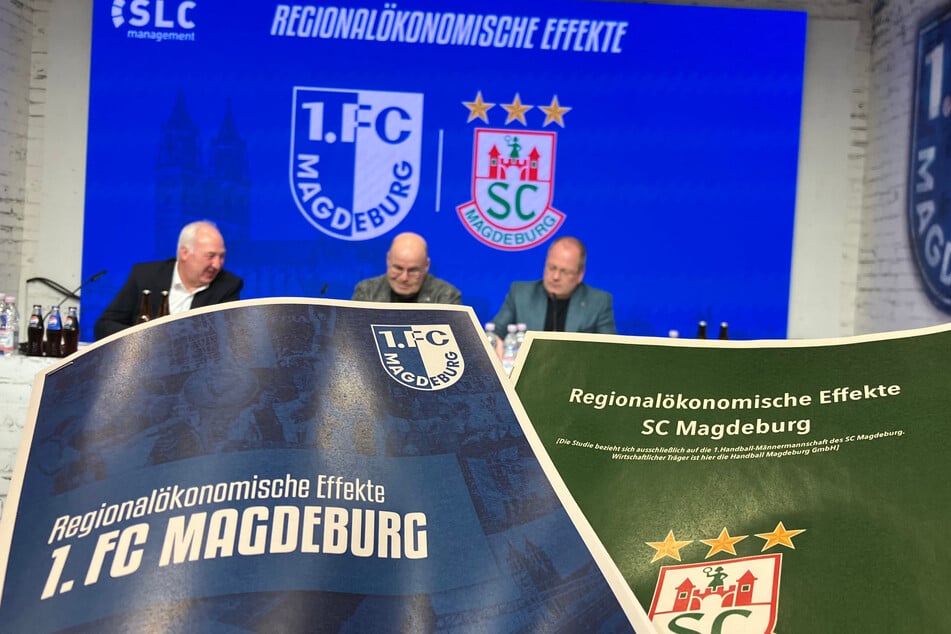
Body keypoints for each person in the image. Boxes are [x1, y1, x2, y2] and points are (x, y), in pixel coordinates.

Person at [94, 220, 243, 339]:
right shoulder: (145, 276)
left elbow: (227, 339)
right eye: (210, 256)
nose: (217, 265)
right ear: (184, 253)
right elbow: (105, 326)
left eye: (221, 256)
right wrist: (141, 340)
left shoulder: (228, 286)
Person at [492, 236, 616, 334]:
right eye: (552, 268)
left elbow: (610, 350)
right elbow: (494, 332)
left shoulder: (599, 302)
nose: (555, 277)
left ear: (580, 275)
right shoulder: (520, 294)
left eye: (565, 271)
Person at [351, 232, 461, 303]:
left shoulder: (446, 296)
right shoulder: (367, 292)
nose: (404, 278)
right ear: (388, 260)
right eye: (398, 268)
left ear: (426, 266)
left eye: (413, 270)